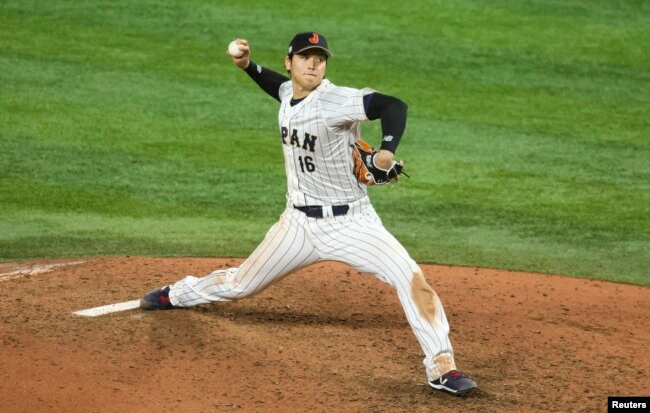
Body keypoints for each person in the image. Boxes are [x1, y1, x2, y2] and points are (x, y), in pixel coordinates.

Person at [140, 32, 477, 396]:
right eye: (305, 57)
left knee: (409, 275)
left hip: (352, 224)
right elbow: (279, 89)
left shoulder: (336, 99)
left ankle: (442, 366)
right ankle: (177, 294)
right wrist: (246, 66)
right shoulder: (289, 93)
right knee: (241, 284)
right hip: (297, 225)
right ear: (290, 62)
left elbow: (394, 105)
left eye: (320, 57)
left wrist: (385, 149)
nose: (313, 64)